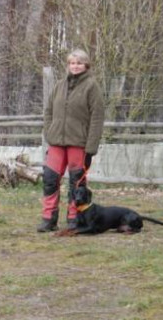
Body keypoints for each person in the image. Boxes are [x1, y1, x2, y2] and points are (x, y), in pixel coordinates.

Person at [38, 49, 105, 232]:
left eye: (79, 63)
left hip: (79, 143)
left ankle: (74, 218)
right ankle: (48, 218)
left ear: (86, 66)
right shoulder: (59, 85)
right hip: (56, 141)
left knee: (76, 183)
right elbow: (48, 111)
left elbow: (97, 118)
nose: (75, 66)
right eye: (72, 63)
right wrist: (49, 132)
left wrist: (91, 147)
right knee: (50, 179)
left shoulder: (92, 87)